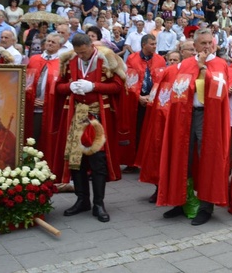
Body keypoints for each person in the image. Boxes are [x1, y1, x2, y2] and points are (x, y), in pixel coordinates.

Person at [157, 28, 231, 226]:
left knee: (208, 159)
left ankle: (206, 206)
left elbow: (220, 90)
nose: (207, 46)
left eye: (210, 43)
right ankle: (183, 200)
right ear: (195, 46)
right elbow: (179, 90)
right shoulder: (187, 64)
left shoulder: (220, 64)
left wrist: (203, 69)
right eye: (203, 43)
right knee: (183, 158)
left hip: (209, 117)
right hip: (186, 115)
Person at [56, 33, 125, 222]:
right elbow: (58, 87)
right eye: (78, 53)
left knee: (98, 161)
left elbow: (118, 86)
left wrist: (93, 86)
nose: (81, 56)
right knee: (76, 161)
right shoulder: (69, 60)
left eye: (84, 52)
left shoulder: (107, 59)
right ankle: (82, 200)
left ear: (91, 46)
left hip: (98, 118)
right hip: (77, 116)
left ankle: (99, 204)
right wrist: (70, 86)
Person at [118, 34, 166, 171]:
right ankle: (132, 161)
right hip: (136, 99)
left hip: (153, 99)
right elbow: (129, 81)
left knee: (150, 131)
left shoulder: (160, 60)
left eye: (155, 44)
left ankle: (146, 160)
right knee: (136, 129)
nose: (155, 46)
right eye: (152, 44)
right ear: (144, 45)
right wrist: (138, 97)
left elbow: (160, 81)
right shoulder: (132, 59)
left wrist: (152, 97)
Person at [24, 32, 63, 171]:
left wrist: (47, 101)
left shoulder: (62, 63)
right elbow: (27, 82)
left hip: (50, 109)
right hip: (31, 106)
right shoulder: (34, 59)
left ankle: (45, 168)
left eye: (53, 42)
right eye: (48, 41)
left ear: (60, 46)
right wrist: (31, 98)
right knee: (30, 138)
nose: (50, 43)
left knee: (46, 140)